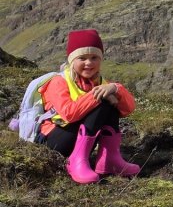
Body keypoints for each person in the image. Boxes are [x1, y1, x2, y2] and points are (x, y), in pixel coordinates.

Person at [39, 29, 139, 184]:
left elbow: (128, 109)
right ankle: (76, 161)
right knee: (103, 101)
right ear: (72, 60)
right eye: (82, 58)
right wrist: (96, 95)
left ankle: (109, 161)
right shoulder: (58, 81)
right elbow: (69, 113)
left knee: (108, 104)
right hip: (53, 141)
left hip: (79, 140)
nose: (89, 63)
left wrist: (115, 89)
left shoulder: (100, 82)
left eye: (94, 57)